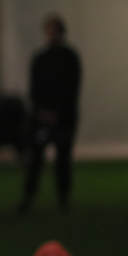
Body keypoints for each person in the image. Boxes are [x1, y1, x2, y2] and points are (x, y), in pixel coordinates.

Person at [20, 14, 82, 214]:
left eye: (54, 31)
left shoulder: (70, 58)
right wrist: (41, 112)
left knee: (62, 158)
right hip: (41, 121)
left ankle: (63, 199)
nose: (51, 35)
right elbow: (34, 88)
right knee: (36, 158)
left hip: (64, 120)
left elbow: (72, 89)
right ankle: (29, 197)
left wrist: (58, 113)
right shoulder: (40, 58)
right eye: (49, 30)